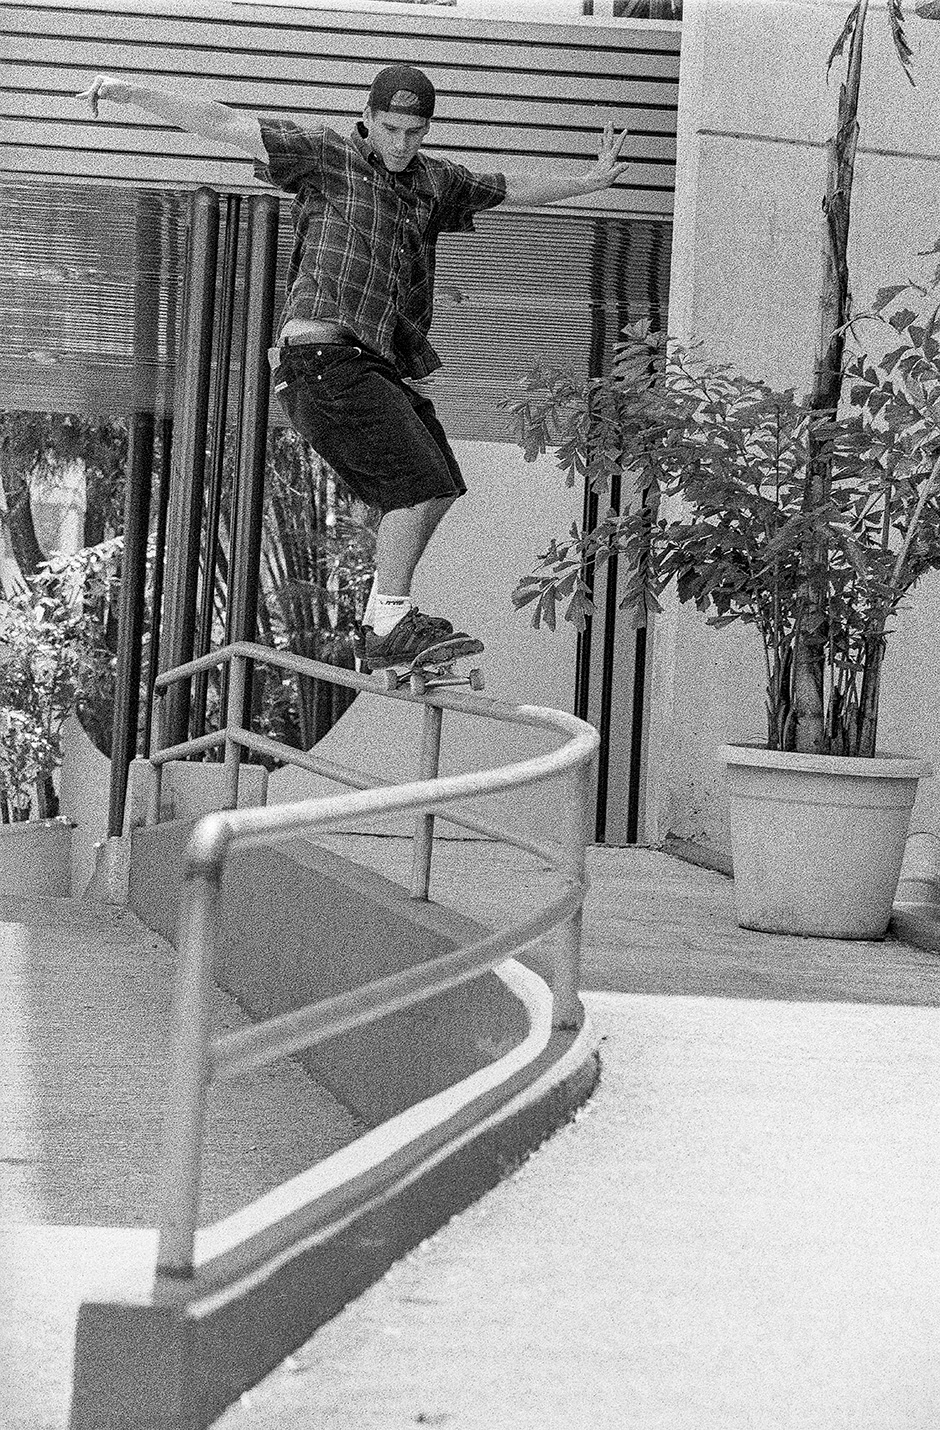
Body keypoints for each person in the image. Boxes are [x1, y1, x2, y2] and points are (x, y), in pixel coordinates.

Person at [79, 64, 630, 668]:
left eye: (414, 133)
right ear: (367, 118)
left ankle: (381, 620)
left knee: (441, 484)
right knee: (418, 485)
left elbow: (506, 188)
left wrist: (589, 182)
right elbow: (224, 123)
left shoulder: (435, 182)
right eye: (390, 129)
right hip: (322, 358)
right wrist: (128, 91)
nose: (401, 144)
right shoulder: (328, 155)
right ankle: (389, 621)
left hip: (372, 365)